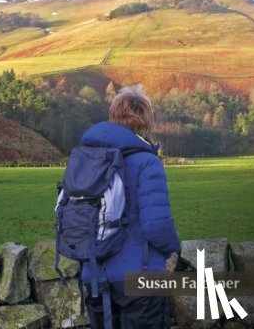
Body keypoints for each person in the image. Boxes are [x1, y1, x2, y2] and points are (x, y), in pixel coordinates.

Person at [81, 85, 180, 329]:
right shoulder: (147, 162)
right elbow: (156, 225)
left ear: (113, 116)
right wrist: (174, 248)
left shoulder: (88, 160)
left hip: (96, 277)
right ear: (146, 119)